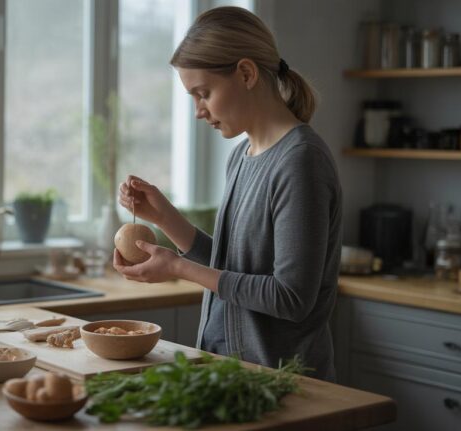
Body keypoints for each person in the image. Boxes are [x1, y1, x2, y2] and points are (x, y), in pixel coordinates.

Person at [113, 6, 342, 381]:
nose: (197, 112)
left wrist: (178, 268)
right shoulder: (242, 156)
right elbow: (230, 267)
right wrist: (164, 217)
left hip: (286, 385)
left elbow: (291, 298)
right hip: (232, 376)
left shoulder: (301, 161)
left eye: (203, 93)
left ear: (246, 73)